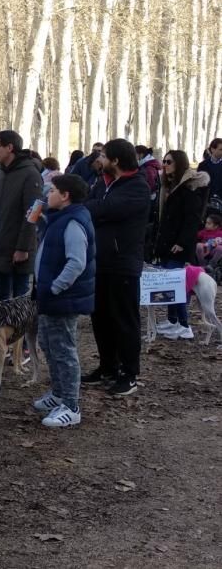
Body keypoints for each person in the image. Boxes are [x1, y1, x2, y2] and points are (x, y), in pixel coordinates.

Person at [81, 139, 151, 396]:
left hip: (123, 264)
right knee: (100, 318)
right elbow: (90, 204)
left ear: (116, 161)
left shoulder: (137, 187)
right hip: (100, 261)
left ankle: (129, 373)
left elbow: (102, 208)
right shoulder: (103, 183)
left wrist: (94, 209)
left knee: (124, 319)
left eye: (102, 156)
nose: (97, 160)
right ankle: (107, 366)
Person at [32, 174, 95, 428]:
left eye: (53, 191)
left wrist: (56, 287)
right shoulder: (58, 218)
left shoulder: (73, 223)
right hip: (49, 296)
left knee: (64, 350)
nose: (48, 194)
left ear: (65, 195)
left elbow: (77, 262)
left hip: (62, 298)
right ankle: (58, 393)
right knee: (48, 343)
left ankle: (71, 404)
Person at [153, 150, 210, 340]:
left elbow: (192, 220)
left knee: (176, 285)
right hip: (166, 243)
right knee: (168, 284)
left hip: (178, 245)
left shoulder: (188, 190)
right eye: (164, 161)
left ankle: (185, 325)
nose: (164, 164)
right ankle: (173, 320)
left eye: (169, 161)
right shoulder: (168, 187)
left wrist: (182, 243)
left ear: (179, 164)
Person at [0, 130, 43, 300]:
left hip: (19, 250)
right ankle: (3, 329)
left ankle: (18, 329)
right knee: (0, 300)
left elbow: (34, 212)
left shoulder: (30, 174)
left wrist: (23, 248)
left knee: (19, 302)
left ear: (10, 147)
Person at [197, 138, 222, 207]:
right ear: (212, 149)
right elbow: (199, 184)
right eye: (220, 149)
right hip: (206, 201)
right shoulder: (203, 165)